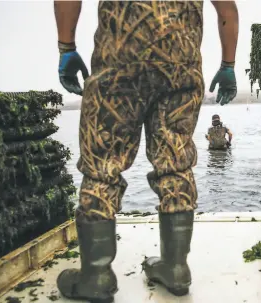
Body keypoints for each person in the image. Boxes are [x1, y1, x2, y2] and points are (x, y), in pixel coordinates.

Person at [53, 1, 238, 301]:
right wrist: (228, 65)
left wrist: (66, 46)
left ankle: (96, 275)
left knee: (103, 162)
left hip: (120, 57)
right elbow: (227, 9)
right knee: (175, 161)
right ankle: (176, 266)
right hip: (181, 63)